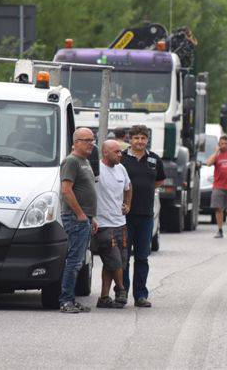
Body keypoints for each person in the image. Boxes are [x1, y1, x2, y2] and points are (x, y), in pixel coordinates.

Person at [120, 125, 165, 308]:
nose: (140, 141)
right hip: (124, 216)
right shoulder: (121, 157)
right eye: (136, 138)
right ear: (130, 139)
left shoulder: (154, 159)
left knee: (142, 257)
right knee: (123, 257)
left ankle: (140, 295)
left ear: (147, 140)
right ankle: (121, 293)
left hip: (146, 215)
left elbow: (160, 180)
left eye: (143, 138)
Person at [59, 128, 98, 313]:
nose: (91, 143)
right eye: (86, 140)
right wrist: (81, 214)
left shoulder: (85, 161)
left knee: (79, 261)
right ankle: (66, 301)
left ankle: (71, 299)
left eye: (92, 139)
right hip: (75, 218)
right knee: (74, 261)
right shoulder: (71, 161)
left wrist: (91, 217)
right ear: (75, 142)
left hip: (85, 218)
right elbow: (66, 190)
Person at [94, 140, 132, 308]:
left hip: (120, 222)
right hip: (102, 224)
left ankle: (103, 297)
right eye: (116, 152)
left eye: (120, 151)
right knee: (114, 260)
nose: (120, 154)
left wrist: (127, 203)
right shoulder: (96, 170)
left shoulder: (121, 169)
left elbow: (128, 187)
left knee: (118, 262)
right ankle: (121, 289)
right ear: (105, 153)